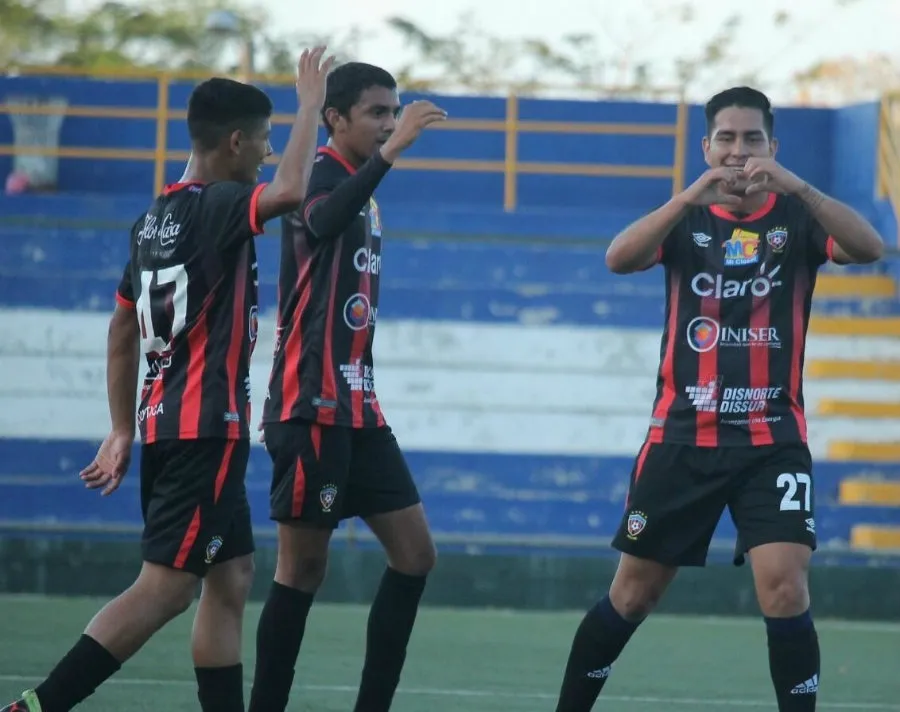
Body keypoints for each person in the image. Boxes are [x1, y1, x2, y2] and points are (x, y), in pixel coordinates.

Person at [2, 47, 334, 712]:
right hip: (204, 429)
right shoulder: (217, 206)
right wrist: (309, 109)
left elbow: (121, 329)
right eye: (265, 141)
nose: (270, 154)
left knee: (232, 574)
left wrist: (123, 427)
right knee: (166, 588)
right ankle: (35, 708)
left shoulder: (153, 217)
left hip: (168, 424)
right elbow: (294, 191)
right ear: (235, 142)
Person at [553, 86, 884, 712]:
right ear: (706, 148)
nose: (739, 152)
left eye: (752, 139)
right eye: (726, 139)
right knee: (633, 597)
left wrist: (800, 188)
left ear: (772, 147)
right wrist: (685, 197)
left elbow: (869, 248)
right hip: (682, 437)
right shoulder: (685, 220)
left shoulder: (798, 218)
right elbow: (618, 259)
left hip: (772, 442)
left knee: (785, 589)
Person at [247, 62, 447, 712]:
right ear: (335, 118)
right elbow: (325, 219)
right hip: (309, 407)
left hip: (358, 408)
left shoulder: (362, 182)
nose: (390, 123)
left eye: (393, 112)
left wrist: (382, 156)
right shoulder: (318, 175)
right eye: (377, 113)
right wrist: (391, 152)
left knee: (416, 555)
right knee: (301, 569)